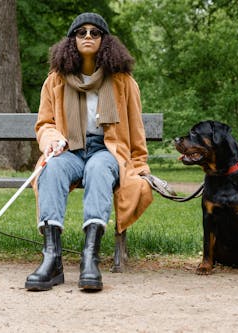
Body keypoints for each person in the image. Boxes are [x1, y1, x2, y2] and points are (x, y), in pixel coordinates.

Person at [25, 13, 153, 292]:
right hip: (68, 148)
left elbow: (135, 127)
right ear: (71, 40)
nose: (87, 37)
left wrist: (140, 163)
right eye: (80, 32)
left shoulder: (123, 82)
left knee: (98, 169)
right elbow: (45, 123)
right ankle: (52, 259)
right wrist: (52, 139)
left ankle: (89, 258)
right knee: (51, 169)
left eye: (95, 32)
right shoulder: (56, 81)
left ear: (105, 41)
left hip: (105, 148)